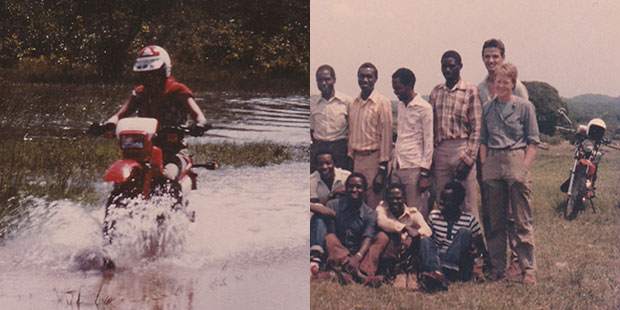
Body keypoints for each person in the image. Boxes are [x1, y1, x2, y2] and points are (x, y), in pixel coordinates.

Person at [92, 45, 209, 183]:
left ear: (164, 71)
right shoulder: (140, 93)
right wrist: (108, 124)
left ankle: (174, 203)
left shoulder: (178, 91)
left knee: (168, 178)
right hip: (143, 149)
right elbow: (119, 115)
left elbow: (199, 116)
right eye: (144, 75)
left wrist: (199, 125)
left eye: (153, 73)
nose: (149, 78)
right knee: (125, 180)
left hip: (172, 150)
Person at [479, 63, 539, 285]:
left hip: (516, 158)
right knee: (495, 221)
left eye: (506, 81)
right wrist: (485, 166)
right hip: (493, 162)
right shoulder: (487, 108)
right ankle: (496, 268)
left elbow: (533, 141)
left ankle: (528, 269)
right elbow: (483, 140)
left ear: (514, 84)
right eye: (498, 81)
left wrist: (523, 166)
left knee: (521, 219)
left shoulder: (525, 107)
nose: (501, 85)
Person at [429, 50, 482, 220]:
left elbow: (477, 128)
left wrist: (468, 159)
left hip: (462, 148)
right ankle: (447, 242)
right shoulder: (436, 92)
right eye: (444, 66)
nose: (448, 70)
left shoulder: (470, 91)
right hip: (441, 150)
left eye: (451, 66)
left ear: (460, 66)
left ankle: (472, 244)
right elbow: (430, 127)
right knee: (443, 201)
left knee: (467, 203)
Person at [420, 181, 487, 291]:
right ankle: (438, 273)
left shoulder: (470, 220)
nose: (441, 202)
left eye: (446, 200)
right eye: (441, 198)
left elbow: (481, 249)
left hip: (458, 265)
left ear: (458, 202)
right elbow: (430, 246)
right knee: (425, 240)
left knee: (464, 233)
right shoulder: (434, 216)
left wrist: (476, 252)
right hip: (438, 260)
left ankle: (440, 275)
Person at [321, 173, 383, 286]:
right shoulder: (333, 205)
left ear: (364, 190)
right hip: (340, 253)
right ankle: (359, 276)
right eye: (350, 186)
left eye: (358, 187)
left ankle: (361, 272)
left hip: (359, 253)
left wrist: (358, 257)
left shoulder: (370, 213)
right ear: (346, 188)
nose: (354, 190)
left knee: (382, 238)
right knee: (330, 238)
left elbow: (368, 237)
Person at [348, 62, 393, 209]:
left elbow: (387, 137)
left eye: (369, 77)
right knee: (357, 203)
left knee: (374, 203)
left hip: (374, 159)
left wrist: (382, 170)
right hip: (357, 159)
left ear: (375, 79)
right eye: (361, 77)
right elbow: (352, 132)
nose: (365, 80)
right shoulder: (354, 103)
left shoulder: (382, 103)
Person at [390, 68, 433, 217]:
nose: (396, 92)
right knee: (397, 210)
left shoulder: (424, 108)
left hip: (414, 167)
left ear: (409, 86)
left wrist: (424, 174)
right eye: (394, 89)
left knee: (415, 211)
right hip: (398, 165)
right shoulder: (401, 106)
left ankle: (421, 239)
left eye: (398, 89)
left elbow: (428, 142)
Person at [375, 183, 432, 291]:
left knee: (420, 239)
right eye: (391, 198)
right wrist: (405, 229)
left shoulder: (413, 213)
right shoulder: (382, 209)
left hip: (410, 253)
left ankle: (412, 273)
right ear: (386, 199)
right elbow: (382, 222)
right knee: (390, 235)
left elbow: (427, 230)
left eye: (398, 198)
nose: (395, 201)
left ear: (404, 198)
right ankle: (398, 273)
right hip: (391, 252)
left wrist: (410, 237)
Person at [310, 150, 351, 273]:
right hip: (323, 218)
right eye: (320, 164)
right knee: (318, 218)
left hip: (343, 215)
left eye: (328, 163)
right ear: (316, 166)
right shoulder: (312, 180)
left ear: (334, 163)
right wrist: (332, 194)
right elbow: (315, 207)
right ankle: (315, 258)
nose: (324, 167)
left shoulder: (346, 176)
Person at [310, 65, 353, 172]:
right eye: (320, 80)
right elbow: (311, 129)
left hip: (340, 148)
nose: (324, 83)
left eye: (327, 79)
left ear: (334, 80)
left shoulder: (347, 101)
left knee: (341, 180)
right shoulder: (312, 102)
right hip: (318, 147)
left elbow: (352, 128)